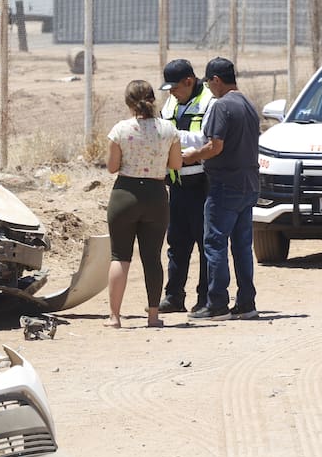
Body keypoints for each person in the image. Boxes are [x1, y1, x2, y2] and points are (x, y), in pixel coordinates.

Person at [184, 57, 260, 321]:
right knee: (241, 246)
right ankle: (246, 303)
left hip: (225, 186)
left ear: (216, 80)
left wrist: (193, 155)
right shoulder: (248, 104)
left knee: (215, 243)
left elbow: (215, 146)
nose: (209, 89)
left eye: (209, 83)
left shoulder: (221, 106)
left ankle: (217, 303)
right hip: (248, 185)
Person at [105, 79, 183, 329]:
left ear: (129, 102)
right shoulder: (168, 130)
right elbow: (176, 165)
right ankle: (153, 316)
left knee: (120, 256)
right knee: (152, 257)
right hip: (156, 194)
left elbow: (112, 167)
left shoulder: (120, 130)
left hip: (125, 194)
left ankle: (115, 317)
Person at [157, 59, 214, 314]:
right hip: (177, 184)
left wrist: (173, 135)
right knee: (177, 243)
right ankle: (174, 296)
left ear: (189, 82)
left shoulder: (210, 102)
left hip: (203, 183)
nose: (171, 93)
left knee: (205, 245)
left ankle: (205, 298)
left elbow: (208, 139)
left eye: (175, 88)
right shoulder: (171, 102)